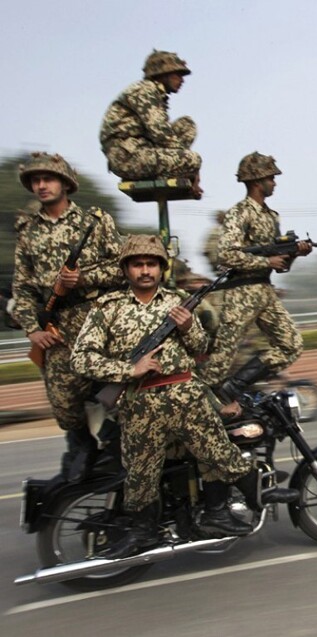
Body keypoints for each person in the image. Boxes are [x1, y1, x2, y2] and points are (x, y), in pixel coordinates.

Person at [71, 235, 298, 559]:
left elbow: (201, 347)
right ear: (126, 268)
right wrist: (128, 369)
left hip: (184, 393)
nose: (145, 270)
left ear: (161, 268)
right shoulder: (107, 309)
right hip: (139, 402)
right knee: (141, 474)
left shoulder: (177, 302)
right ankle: (142, 531)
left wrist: (190, 326)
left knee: (219, 451)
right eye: (138, 264)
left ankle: (254, 495)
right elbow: (80, 358)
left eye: (152, 264)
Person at [12, 152, 125, 481]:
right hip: (55, 328)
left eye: (48, 179)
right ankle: (81, 446)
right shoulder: (29, 233)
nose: (41, 185)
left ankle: (121, 444)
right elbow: (22, 289)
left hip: (97, 322)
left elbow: (124, 267)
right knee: (63, 402)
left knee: (119, 388)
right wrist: (33, 330)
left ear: (65, 183)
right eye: (36, 180)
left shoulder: (93, 222)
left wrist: (84, 279)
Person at [198, 152, 309, 402]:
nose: (275, 182)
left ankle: (235, 386)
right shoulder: (239, 213)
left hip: (264, 290)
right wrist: (265, 261)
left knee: (291, 345)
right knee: (220, 361)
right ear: (258, 181)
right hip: (241, 294)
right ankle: (191, 404)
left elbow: (280, 266)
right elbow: (226, 255)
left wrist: (295, 254)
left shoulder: (272, 216)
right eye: (271, 177)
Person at [99, 49, 202, 197]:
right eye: (177, 74)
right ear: (163, 73)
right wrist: (194, 171)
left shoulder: (156, 94)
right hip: (127, 157)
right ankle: (167, 173)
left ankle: (169, 172)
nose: (182, 79)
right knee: (193, 160)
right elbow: (161, 133)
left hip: (142, 149)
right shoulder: (145, 90)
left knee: (186, 125)